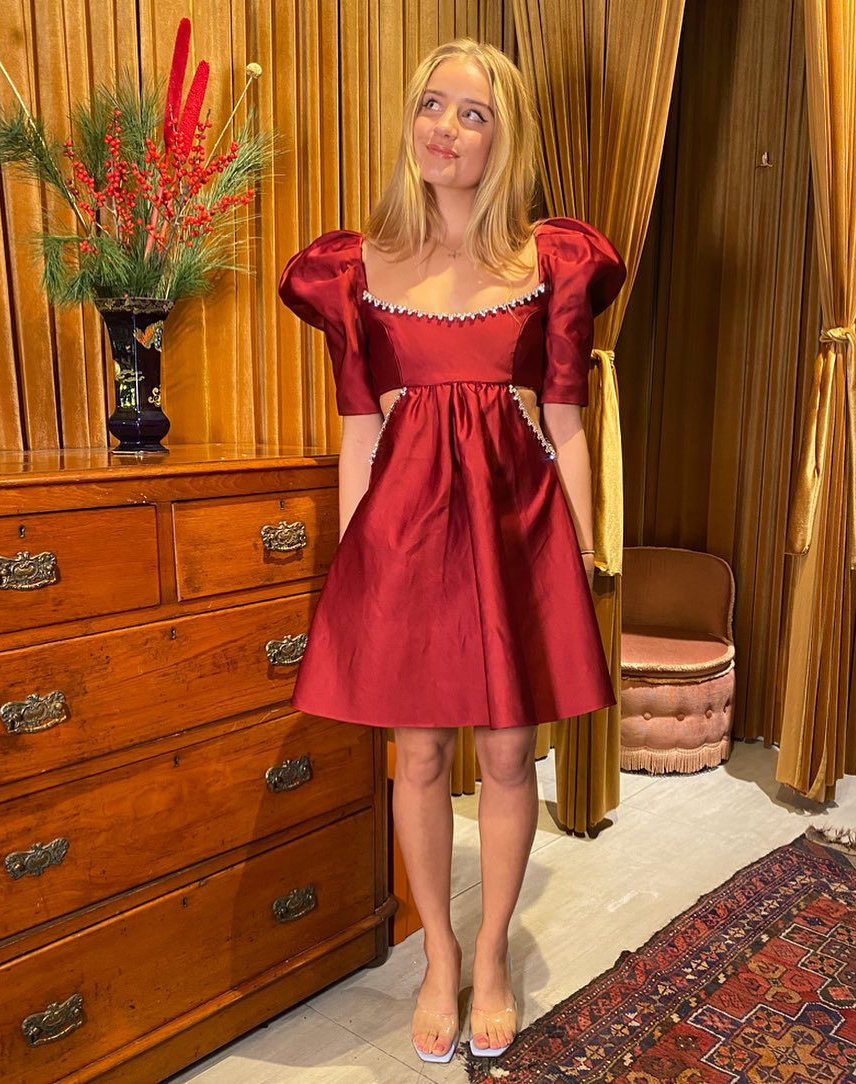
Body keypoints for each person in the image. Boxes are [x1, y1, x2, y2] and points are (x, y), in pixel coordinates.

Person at [279, 37, 624, 1064]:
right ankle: (439, 952)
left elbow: (565, 425)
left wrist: (581, 555)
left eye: (473, 114)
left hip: (520, 534)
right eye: (433, 104)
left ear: (503, 138)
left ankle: (493, 955)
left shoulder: (553, 264)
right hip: (403, 539)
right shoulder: (353, 271)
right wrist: (355, 569)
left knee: (511, 752)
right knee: (421, 752)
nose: (445, 127)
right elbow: (360, 433)